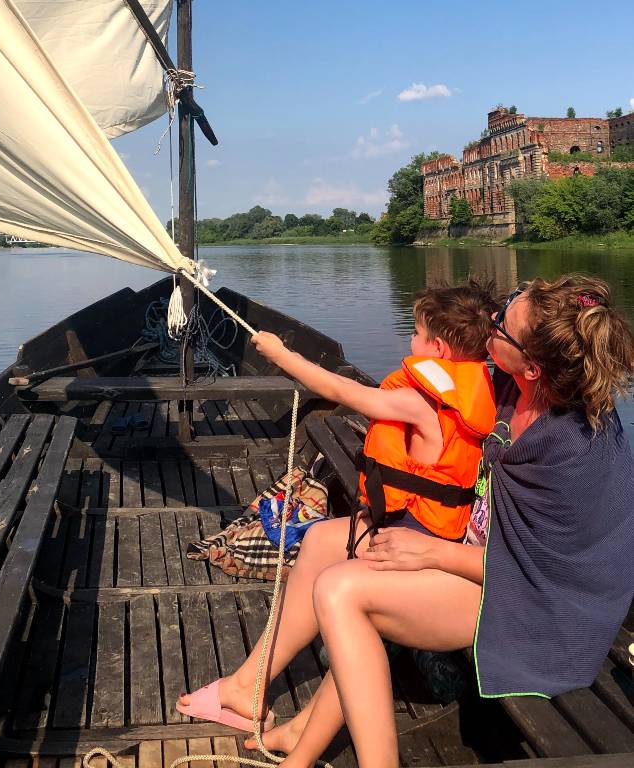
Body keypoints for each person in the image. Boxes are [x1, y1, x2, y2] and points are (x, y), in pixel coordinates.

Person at [234, 274, 634, 768]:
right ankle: (282, 714)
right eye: (505, 305)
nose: (492, 327)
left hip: (533, 602)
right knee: (325, 542)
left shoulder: (578, 449)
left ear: (532, 366)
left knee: (342, 592)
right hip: (473, 547)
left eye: (502, 327)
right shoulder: (506, 385)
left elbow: (550, 573)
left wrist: (433, 552)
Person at [176, 279, 498, 731]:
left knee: (332, 574)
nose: (410, 342)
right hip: (423, 530)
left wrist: (281, 356)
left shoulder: (418, 402)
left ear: (438, 348)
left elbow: (340, 391)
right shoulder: (478, 391)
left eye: (416, 334)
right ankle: (247, 685)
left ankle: (266, 691)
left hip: (413, 548)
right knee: (323, 538)